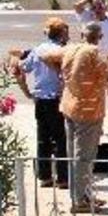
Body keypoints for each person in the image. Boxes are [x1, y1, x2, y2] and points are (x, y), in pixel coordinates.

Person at [13, 18, 69, 187]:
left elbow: (22, 68)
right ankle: (63, 177)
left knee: (43, 136)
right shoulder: (61, 51)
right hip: (55, 98)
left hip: (40, 98)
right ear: (61, 34)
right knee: (60, 138)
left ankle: (45, 176)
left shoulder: (37, 50)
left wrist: (26, 91)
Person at [59, 22, 108, 212]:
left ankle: (83, 195)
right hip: (88, 110)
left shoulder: (70, 49)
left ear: (82, 35)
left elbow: (46, 56)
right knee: (84, 156)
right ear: (100, 37)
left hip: (70, 105)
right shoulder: (94, 52)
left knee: (74, 155)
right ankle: (80, 200)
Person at [74, 0, 108, 134]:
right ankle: (99, 125)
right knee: (96, 97)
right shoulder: (88, 19)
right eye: (94, 7)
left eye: (100, 6)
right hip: (91, 64)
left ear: (105, 7)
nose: (97, 10)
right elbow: (77, 6)